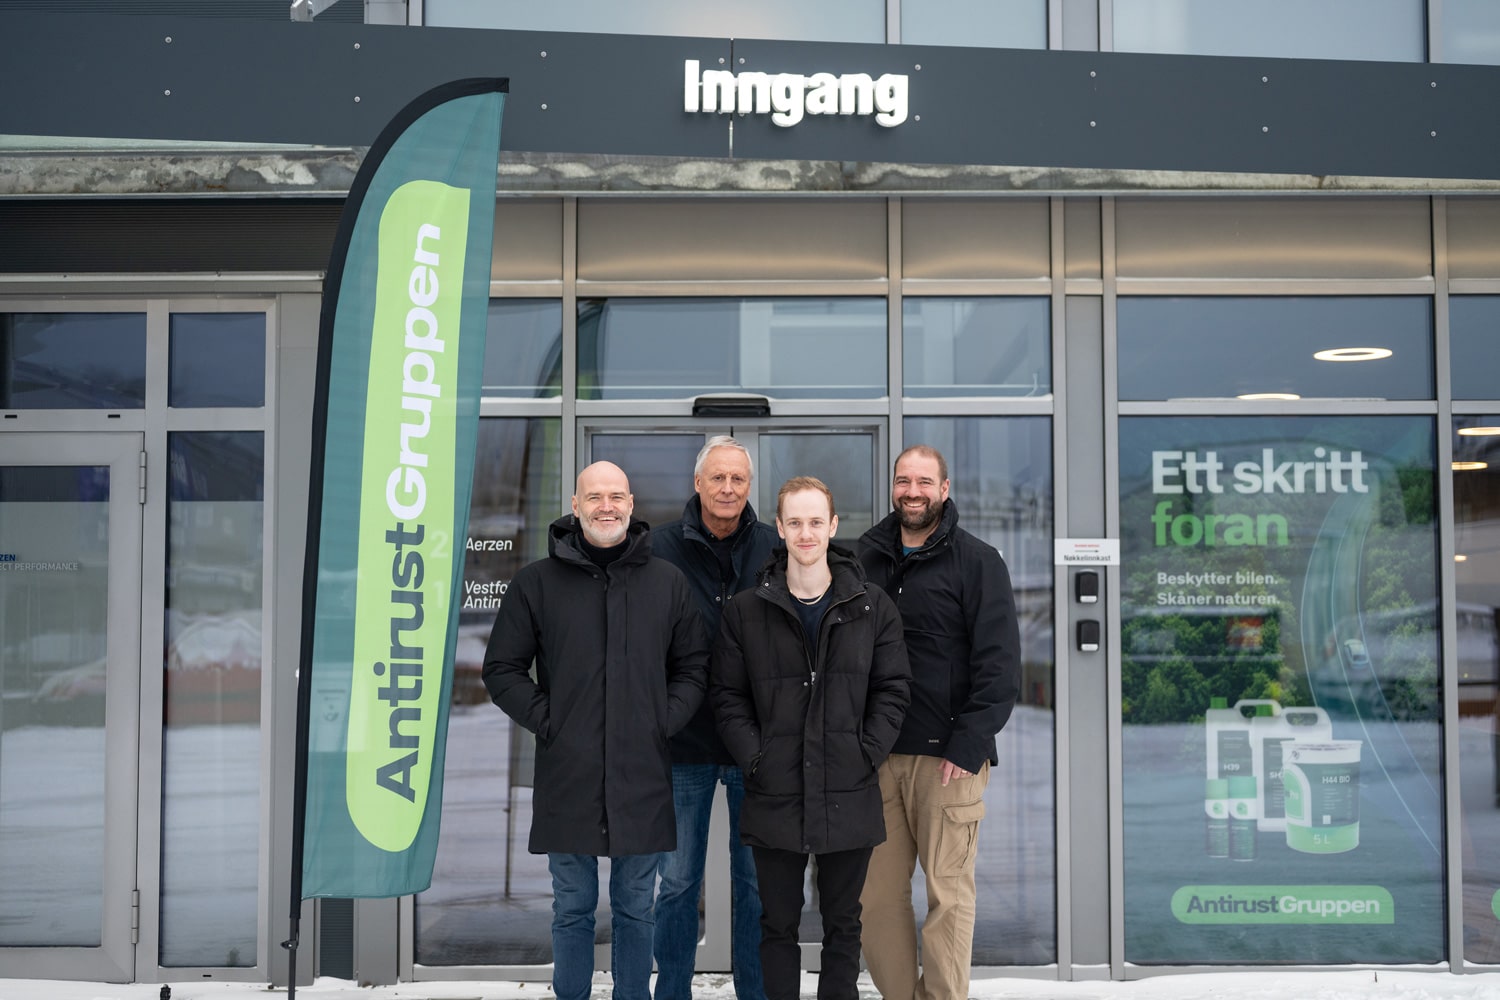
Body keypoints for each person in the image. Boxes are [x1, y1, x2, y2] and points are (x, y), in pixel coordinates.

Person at [482, 461, 708, 1000]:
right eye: (594, 496)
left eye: (615, 496)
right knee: (572, 907)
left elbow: (694, 667)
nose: (606, 506)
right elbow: (502, 670)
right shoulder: (536, 582)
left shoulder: (667, 582)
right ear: (575, 505)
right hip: (569, 774)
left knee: (636, 907)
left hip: (641, 774)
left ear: (631, 504)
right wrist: (551, 721)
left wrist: (661, 721)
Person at [712, 476, 910, 1000]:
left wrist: (866, 752)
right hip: (774, 791)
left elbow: (893, 691)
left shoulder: (871, 607)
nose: (806, 533)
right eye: (795, 522)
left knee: (844, 924)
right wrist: (756, 758)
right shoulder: (746, 610)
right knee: (777, 925)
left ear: (833, 526)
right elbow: (727, 697)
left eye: (815, 522)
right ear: (779, 528)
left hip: (849, 788)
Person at [856, 445, 1022, 1000]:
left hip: (948, 761)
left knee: (948, 895)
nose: (913, 492)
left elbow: (1000, 668)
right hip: (876, 756)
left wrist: (967, 744)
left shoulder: (979, 562)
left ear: (944, 489)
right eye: (904, 481)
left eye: (924, 482)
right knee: (876, 897)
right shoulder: (863, 558)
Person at [650, 436, 777, 1000]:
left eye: (738, 479)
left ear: (750, 486)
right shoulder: (657, 549)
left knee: (754, 883)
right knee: (677, 882)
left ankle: (755, 993)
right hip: (684, 741)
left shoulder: (775, 548)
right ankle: (673, 991)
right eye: (718, 478)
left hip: (756, 743)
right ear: (698, 482)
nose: (728, 488)